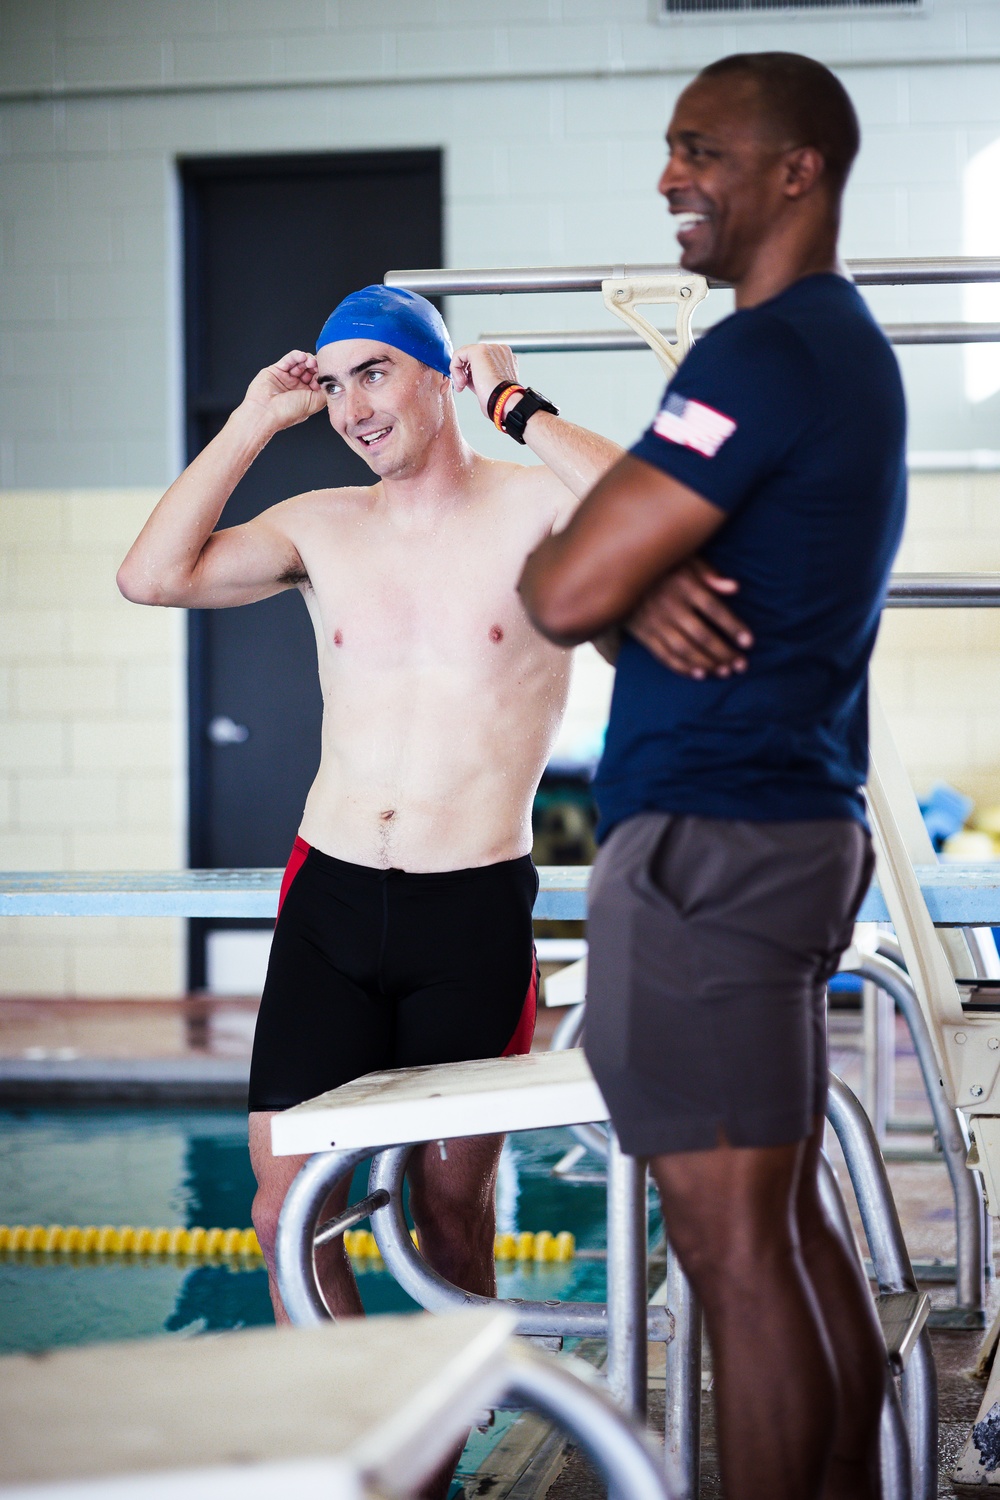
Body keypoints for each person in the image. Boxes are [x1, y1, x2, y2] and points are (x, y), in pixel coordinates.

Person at [519, 52, 904, 1500]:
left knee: (733, 1256)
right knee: (785, 1238)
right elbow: (595, 584)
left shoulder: (767, 353)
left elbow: (557, 586)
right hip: (776, 827)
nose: (671, 176)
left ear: (795, 169)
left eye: (702, 150)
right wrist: (626, 585)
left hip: (714, 845)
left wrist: (600, 576)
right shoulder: (839, 355)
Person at [117, 284, 644, 1325]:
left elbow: (650, 510)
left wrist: (516, 404)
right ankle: (365, 1460)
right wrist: (255, 420)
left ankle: (452, 1441)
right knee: (284, 1212)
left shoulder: (533, 511)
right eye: (335, 380)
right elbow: (150, 576)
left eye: (376, 372)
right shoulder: (320, 526)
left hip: (472, 906)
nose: (354, 406)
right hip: (332, 900)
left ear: (439, 375)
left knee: (451, 1210)